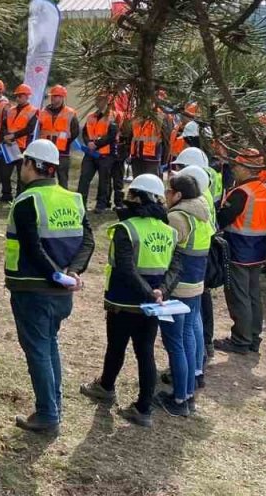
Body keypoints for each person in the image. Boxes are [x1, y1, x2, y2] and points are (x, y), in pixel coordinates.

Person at [6, 139, 94, 435]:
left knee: (38, 350)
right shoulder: (73, 199)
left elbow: (32, 248)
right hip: (61, 292)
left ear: (31, 164)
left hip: (33, 288)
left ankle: (47, 414)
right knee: (49, 344)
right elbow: (88, 241)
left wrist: (56, 274)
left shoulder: (27, 200)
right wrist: (71, 272)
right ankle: (54, 406)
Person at [81, 174, 177, 428]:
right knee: (145, 352)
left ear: (136, 196)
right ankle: (144, 408)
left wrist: (149, 293)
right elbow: (176, 265)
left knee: (116, 346)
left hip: (124, 301)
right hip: (152, 305)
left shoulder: (126, 229)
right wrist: (161, 292)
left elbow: (125, 268)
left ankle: (106, 386)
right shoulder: (169, 230)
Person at [157, 166, 214, 417]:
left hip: (177, 288)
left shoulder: (178, 218)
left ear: (179, 195)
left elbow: (164, 251)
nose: (166, 196)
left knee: (175, 343)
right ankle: (188, 393)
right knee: (189, 337)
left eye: (169, 191)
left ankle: (179, 399)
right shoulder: (202, 215)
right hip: (196, 286)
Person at [213, 149, 266, 354]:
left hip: (239, 249)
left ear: (246, 168)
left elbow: (223, 218)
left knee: (238, 296)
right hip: (257, 251)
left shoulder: (242, 192)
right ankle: (253, 336)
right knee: (253, 295)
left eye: (237, 166)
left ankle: (240, 339)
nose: (235, 170)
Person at [170, 146, 222, 355]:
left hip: (195, 257)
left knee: (196, 312)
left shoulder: (196, 199)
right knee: (198, 308)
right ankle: (203, 348)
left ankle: (204, 346)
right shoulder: (204, 192)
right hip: (202, 252)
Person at [75, 93, 118, 213]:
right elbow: (84, 132)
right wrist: (88, 142)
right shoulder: (90, 116)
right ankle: (80, 204)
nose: (98, 102)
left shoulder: (112, 116)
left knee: (103, 180)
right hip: (90, 153)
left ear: (107, 101)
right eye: (97, 100)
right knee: (84, 177)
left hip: (105, 154)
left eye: (101, 100)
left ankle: (101, 205)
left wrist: (96, 144)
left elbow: (112, 135)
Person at [36, 86, 78, 188]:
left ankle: (62, 201)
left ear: (62, 97)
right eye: (52, 96)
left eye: (56, 96)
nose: (53, 98)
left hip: (62, 153)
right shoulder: (43, 112)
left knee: (62, 179)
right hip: (46, 152)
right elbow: (39, 129)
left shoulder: (70, 112)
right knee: (46, 178)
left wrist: (65, 142)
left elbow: (75, 131)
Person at [2, 84, 37, 202]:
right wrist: (5, 135)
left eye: (20, 96)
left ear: (27, 96)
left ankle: (19, 197)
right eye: (17, 96)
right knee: (5, 172)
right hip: (9, 145)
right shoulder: (11, 110)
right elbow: (4, 124)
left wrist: (14, 136)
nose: (18, 98)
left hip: (23, 147)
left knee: (21, 175)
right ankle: (6, 195)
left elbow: (30, 129)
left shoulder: (33, 111)